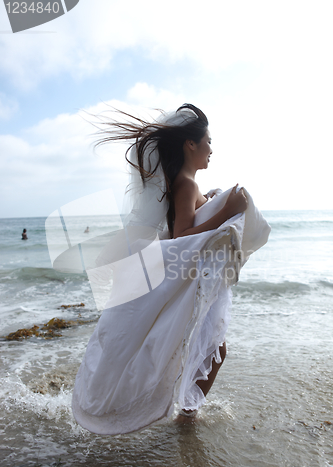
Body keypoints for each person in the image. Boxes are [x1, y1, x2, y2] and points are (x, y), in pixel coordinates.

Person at [72, 104, 270, 434]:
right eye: (207, 141)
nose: (211, 149)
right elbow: (180, 237)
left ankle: (185, 410)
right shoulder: (186, 185)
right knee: (214, 349)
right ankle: (187, 416)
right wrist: (225, 212)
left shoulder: (186, 185)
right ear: (190, 144)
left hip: (191, 278)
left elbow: (185, 222)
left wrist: (207, 203)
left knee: (208, 347)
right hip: (191, 280)